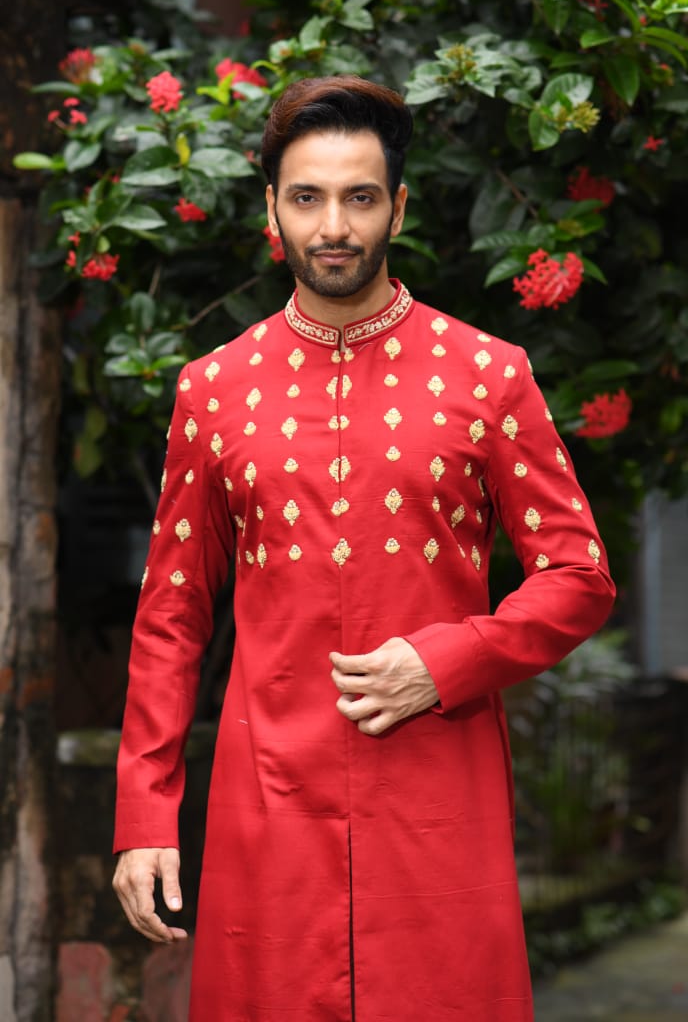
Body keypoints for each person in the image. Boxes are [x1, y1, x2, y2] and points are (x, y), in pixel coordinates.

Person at [113, 74, 615, 1021]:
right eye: (307, 197)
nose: (333, 225)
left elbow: (579, 575)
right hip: (268, 812)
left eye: (359, 196)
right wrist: (144, 814)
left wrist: (451, 658)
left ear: (398, 206)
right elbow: (171, 615)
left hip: (439, 800)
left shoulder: (488, 375)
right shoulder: (213, 388)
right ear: (271, 207)